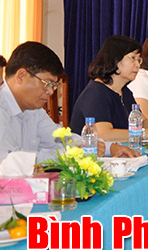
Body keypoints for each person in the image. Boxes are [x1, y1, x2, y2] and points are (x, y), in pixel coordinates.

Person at [1, 42, 137, 163]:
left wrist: (109, 147)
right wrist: (75, 153)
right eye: (47, 83)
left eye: (54, 86)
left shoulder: (34, 110)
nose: (50, 92)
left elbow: (62, 139)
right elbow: (10, 162)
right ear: (21, 76)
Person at [71, 36, 148, 141]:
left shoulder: (125, 91)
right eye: (132, 58)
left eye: (139, 60)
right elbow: (104, 135)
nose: (137, 65)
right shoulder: (96, 93)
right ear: (115, 59)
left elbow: (142, 122)